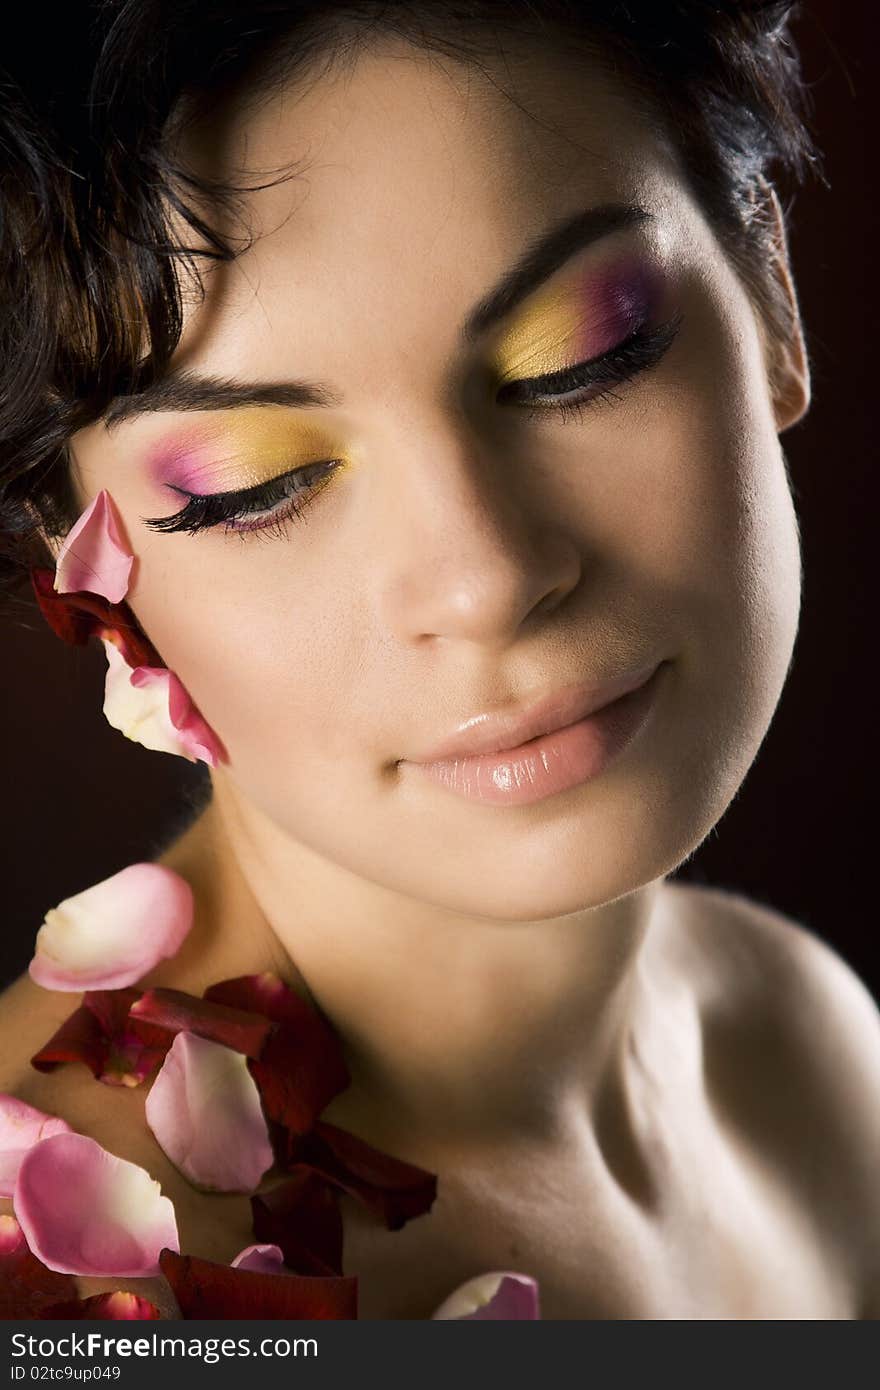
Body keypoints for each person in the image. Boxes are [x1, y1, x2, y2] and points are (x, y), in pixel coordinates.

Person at [0, 0, 877, 1319]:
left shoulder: (809, 1048)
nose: (486, 578)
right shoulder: (65, 1302)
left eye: (586, 352)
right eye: (258, 486)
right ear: (87, 567)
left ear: (770, 287)